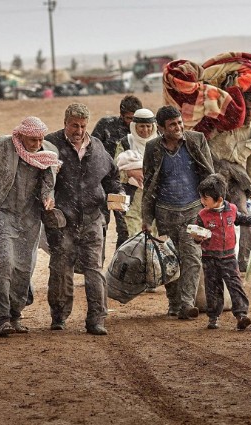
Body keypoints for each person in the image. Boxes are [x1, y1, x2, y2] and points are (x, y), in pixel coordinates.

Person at [0, 116, 59, 337]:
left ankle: (16, 314)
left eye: (40, 139)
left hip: (30, 217)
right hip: (2, 213)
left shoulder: (46, 150)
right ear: (20, 135)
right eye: (32, 140)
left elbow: (49, 180)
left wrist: (48, 197)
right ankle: (3, 318)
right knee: (6, 262)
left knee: (24, 267)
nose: (37, 144)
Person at [44, 103, 123, 336]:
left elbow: (112, 176)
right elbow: (41, 179)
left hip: (92, 218)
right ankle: (58, 316)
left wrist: (116, 196)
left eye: (82, 126)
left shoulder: (97, 147)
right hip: (62, 220)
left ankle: (96, 319)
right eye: (74, 125)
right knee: (60, 268)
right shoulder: (51, 145)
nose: (78, 130)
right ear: (65, 122)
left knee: (94, 270)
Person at [142, 105, 215, 320]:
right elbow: (149, 185)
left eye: (180, 122)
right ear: (161, 128)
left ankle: (186, 303)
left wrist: (213, 207)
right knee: (170, 261)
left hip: (193, 212)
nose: (178, 127)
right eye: (173, 124)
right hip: (165, 214)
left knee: (192, 258)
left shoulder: (196, 140)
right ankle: (173, 302)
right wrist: (147, 218)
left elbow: (209, 175)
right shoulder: (153, 148)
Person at [192, 174, 251, 330]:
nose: (202, 201)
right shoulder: (202, 215)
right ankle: (213, 317)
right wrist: (197, 238)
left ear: (219, 198)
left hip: (229, 257)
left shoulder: (231, 209)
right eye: (202, 198)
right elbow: (197, 235)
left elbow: (240, 218)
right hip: (210, 257)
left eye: (206, 198)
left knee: (235, 285)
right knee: (213, 288)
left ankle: (241, 315)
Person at [207, 92, 251, 271]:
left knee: (243, 214)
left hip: (237, 177)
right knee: (209, 213)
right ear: (241, 107)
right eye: (248, 109)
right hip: (213, 171)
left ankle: (243, 261)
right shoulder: (224, 123)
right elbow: (203, 141)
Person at [92, 95, 143, 250]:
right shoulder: (106, 126)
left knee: (126, 231)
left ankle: (121, 269)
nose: (133, 123)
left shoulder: (143, 130)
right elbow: (93, 150)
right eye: (129, 118)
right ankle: (96, 268)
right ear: (121, 115)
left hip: (128, 189)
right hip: (103, 184)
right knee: (99, 228)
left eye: (136, 118)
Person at [114, 108, 157, 239]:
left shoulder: (160, 143)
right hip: (133, 203)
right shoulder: (125, 143)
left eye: (148, 126)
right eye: (141, 126)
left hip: (156, 202)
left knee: (155, 242)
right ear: (134, 126)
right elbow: (115, 171)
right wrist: (130, 172)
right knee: (135, 240)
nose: (145, 130)